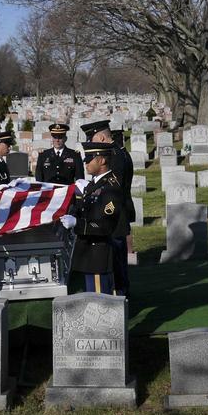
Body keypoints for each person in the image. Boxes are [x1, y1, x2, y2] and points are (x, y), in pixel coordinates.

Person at [63, 139, 124, 295]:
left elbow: (105, 226)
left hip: (99, 254)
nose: (86, 163)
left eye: (90, 160)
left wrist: (77, 223)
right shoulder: (93, 184)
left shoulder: (110, 188)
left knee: (100, 302)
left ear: (102, 160)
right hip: (89, 253)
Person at [82, 120, 135, 296]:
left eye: (93, 138)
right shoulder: (120, 151)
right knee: (118, 265)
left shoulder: (115, 156)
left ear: (102, 137)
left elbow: (112, 189)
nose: (91, 142)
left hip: (113, 217)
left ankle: (120, 301)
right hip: (118, 215)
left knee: (115, 267)